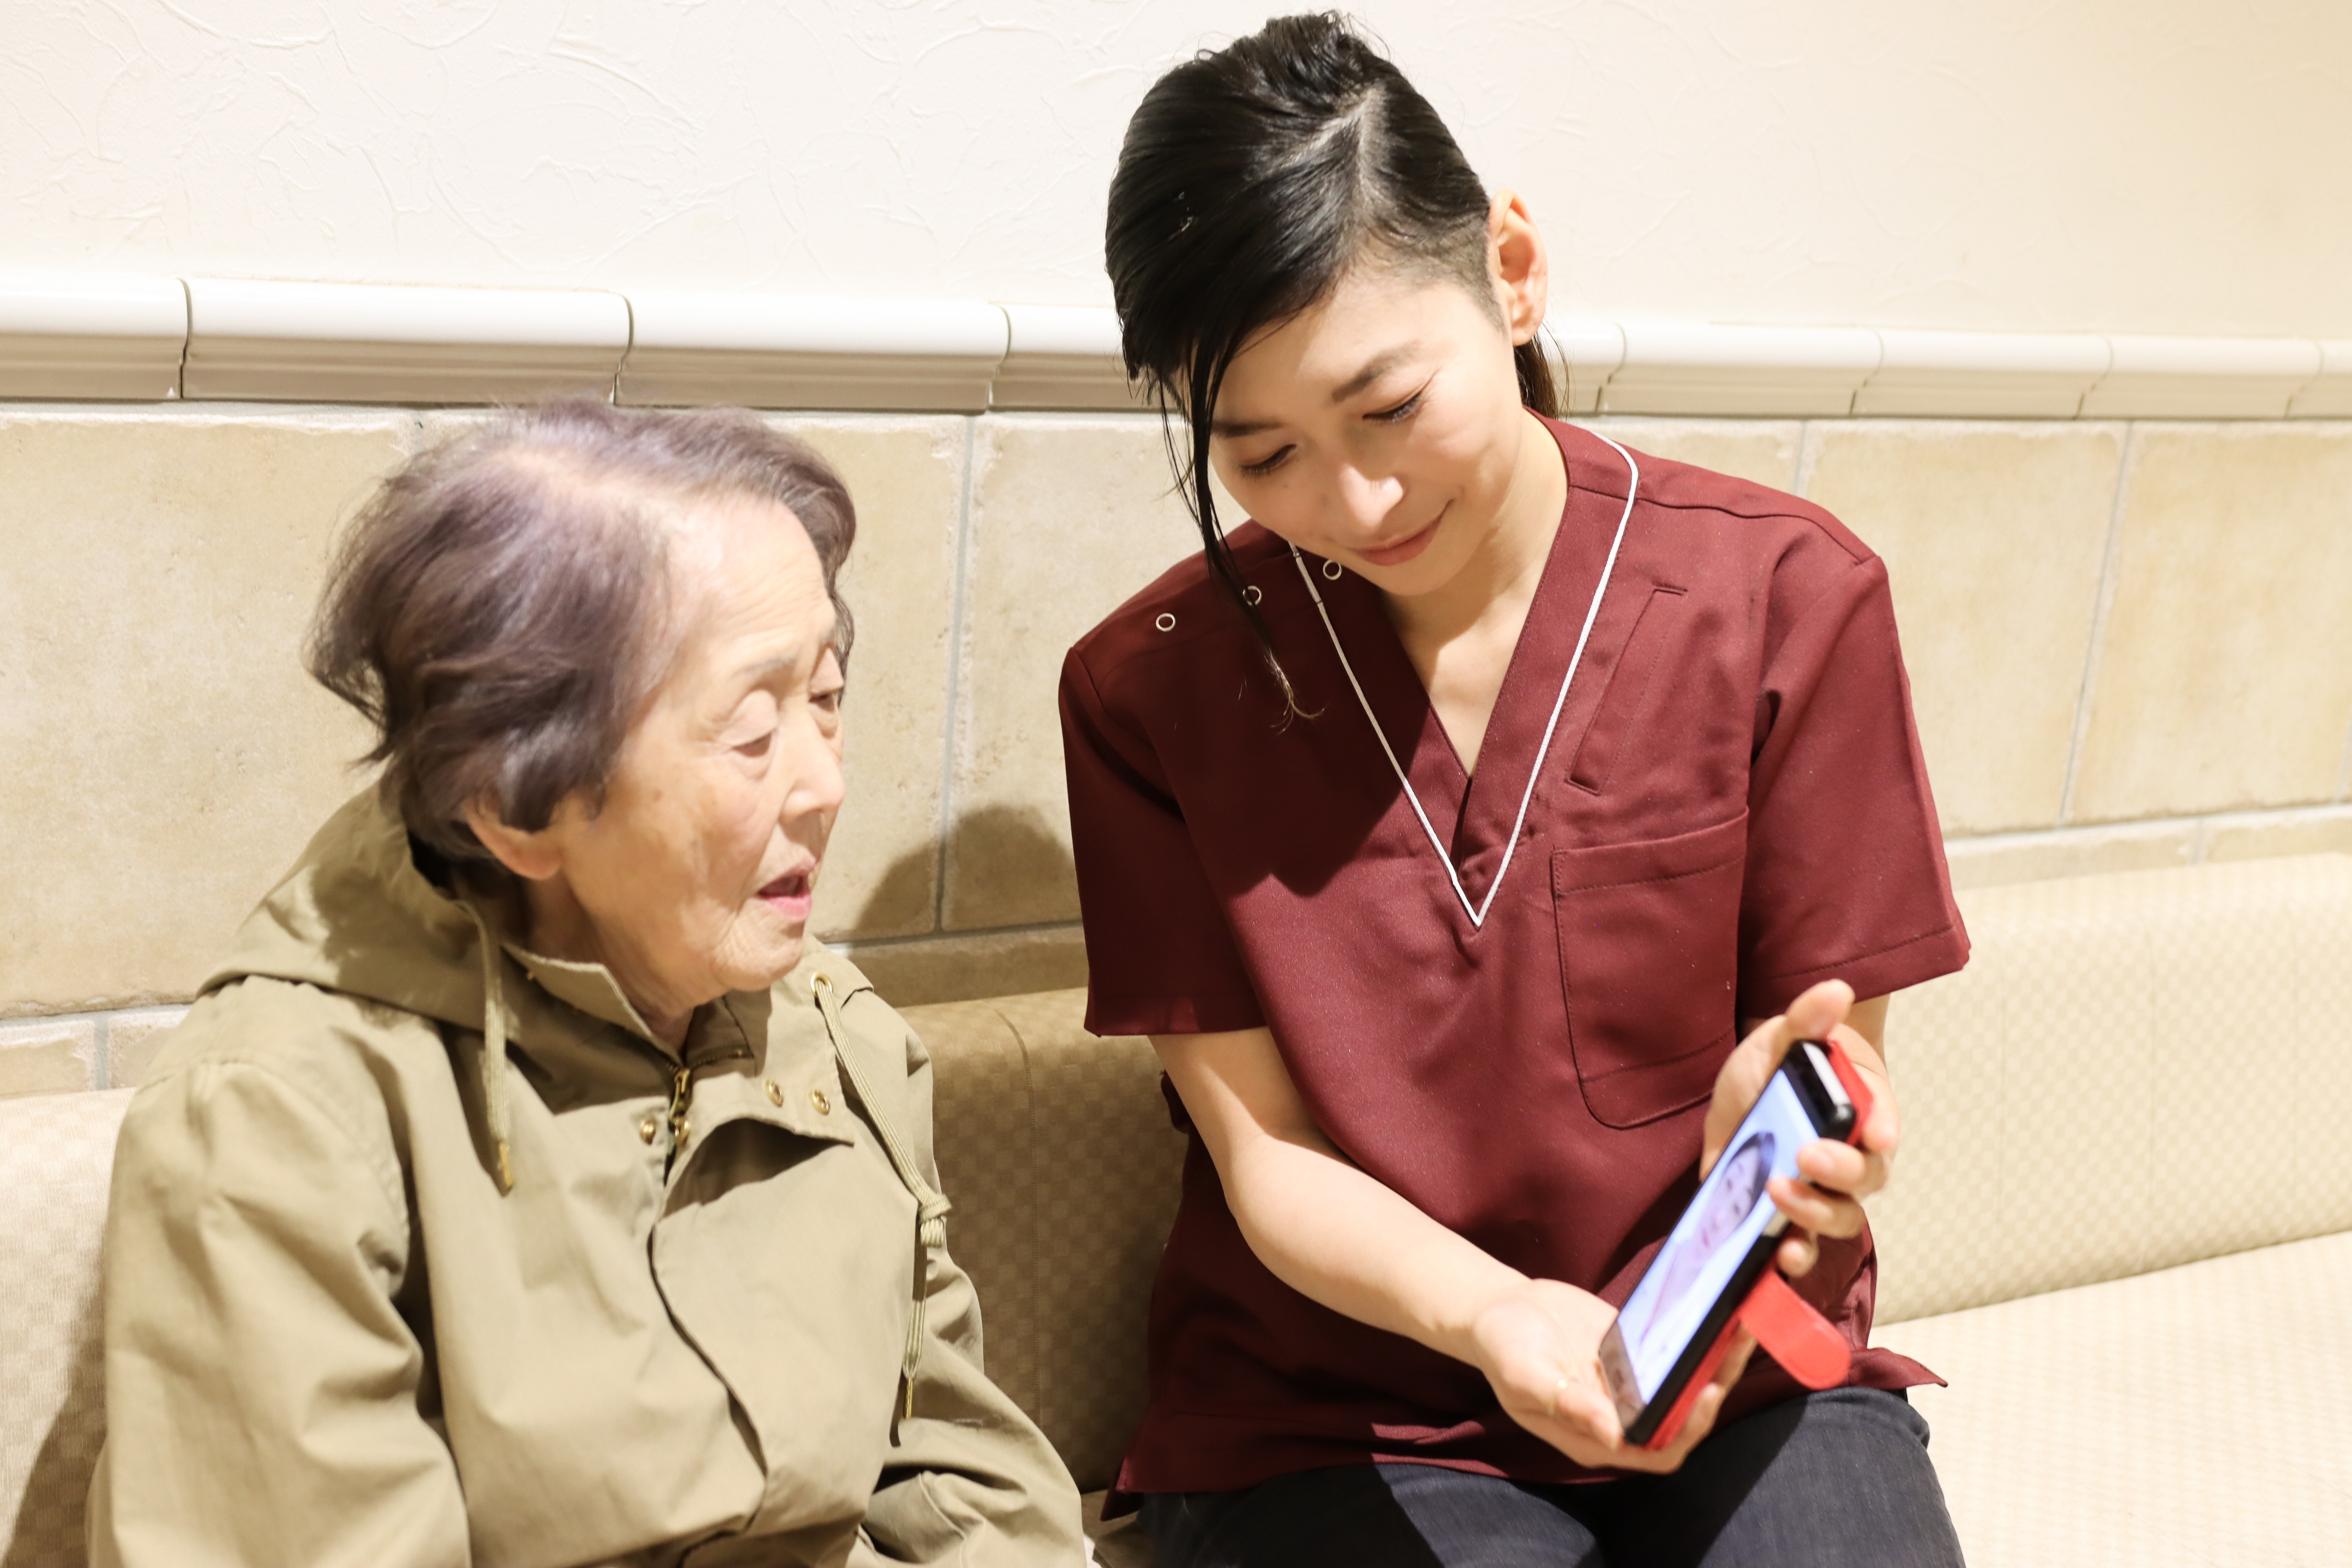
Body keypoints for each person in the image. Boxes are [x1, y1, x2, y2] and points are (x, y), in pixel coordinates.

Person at [1061, 13, 1970, 1565]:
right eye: (1261, 451)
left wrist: (1784, 1153)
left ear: (1515, 270)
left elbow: (1824, 1063)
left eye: (1392, 407)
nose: (1353, 503)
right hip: (1339, 1408)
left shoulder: (1789, 601)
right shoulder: (1150, 696)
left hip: (1736, 1360)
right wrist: (1492, 1317)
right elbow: (1263, 1154)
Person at [88, 402, 1084, 1567]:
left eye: (828, 697)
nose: (824, 784)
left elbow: (962, 1475)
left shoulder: (829, 1030)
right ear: (518, 810)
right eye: (755, 731)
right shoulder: (278, 1118)